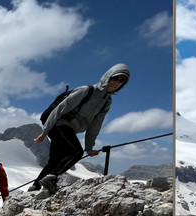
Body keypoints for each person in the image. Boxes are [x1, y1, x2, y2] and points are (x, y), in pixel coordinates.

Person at [30, 63, 130, 194]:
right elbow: (58, 110)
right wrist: (45, 132)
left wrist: (89, 147)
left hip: (68, 128)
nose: (117, 82)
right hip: (58, 123)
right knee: (76, 151)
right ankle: (51, 178)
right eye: (115, 78)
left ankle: (35, 187)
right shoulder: (86, 91)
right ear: (108, 77)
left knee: (55, 159)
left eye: (122, 80)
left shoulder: (106, 101)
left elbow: (95, 125)